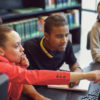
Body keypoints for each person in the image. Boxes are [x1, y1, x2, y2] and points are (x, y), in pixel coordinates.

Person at [23, 15, 84, 100]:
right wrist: (38, 97)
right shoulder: (29, 47)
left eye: (66, 35)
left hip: (52, 86)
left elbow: (73, 63)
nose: (64, 40)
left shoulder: (66, 44)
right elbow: (23, 80)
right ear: (47, 36)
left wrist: (77, 71)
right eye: (59, 36)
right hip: (34, 90)